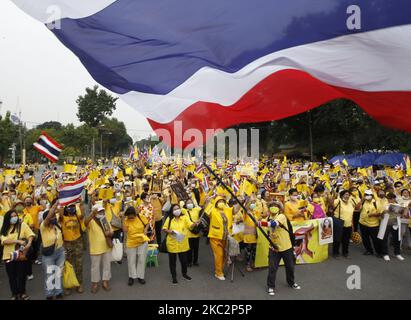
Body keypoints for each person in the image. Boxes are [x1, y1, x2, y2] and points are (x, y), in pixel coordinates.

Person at [259, 202, 301, 296]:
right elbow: (265, 225)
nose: (274, 208)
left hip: (286, 246)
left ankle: (291, 282)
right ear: (269, 209)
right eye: (272, 206)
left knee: (290, 266)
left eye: (276, 206)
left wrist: (260, 222)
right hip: (274, 248)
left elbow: (273, 224)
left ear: (279, 208)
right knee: (272, 268)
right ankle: (270, 286)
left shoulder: (282, 216)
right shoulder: (267, 218)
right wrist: (258, 222)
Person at [1, 209, 35, 300]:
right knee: (11, 276)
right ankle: (14, 293)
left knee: (21, 275)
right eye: (12, 216)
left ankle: (23, 292)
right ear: (8, 218)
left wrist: (29, 244)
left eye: (15, 215)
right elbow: (4, 241)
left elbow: (30, 235)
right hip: (8, 256)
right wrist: (17, 240)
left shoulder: (22, 225)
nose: (14, 218)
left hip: (20, 254)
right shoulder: (4, 228)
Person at [162, 204, 197, 284]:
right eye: (174, 209)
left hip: (182, 243)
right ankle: (174, 277)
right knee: (172, 262)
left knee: (184, 261)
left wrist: (195, 223)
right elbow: (164, 228)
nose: (177, 210)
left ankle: (184, 274)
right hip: (172, 243)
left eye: (178, 208)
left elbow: (190, 225)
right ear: (172, 211)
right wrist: (169, 231)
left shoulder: (184, 218)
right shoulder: (169, 218)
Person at [85, 203, 113, 293]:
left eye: (102, 211)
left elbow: (111, 231)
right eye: (99, 211)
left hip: (106, 247)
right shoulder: (91, 221)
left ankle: (105, 282)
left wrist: (109, 233)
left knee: (107, 265)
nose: (101, 212)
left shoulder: (104, 219)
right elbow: (85, 222)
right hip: (95, 248)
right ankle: (95, 284)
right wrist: (92, 214)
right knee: (95, 267)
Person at [40, 202, 65, 300]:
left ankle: (58, 292)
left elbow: (61, 212)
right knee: (50, 274)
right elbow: (49, 216)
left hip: (60, 252)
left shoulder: (56, 225)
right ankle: (49, 294)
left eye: (55, 216)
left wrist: (62, 203)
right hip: (49, 255)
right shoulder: (43, 227)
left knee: (58, 273)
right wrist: (54, 206)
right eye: (52, 216)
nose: (54, 217)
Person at [205, 196, 233, 281]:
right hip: (215, 237)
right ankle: (218, 272)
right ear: (216, 203)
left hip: (226, 237)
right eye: (219, 201)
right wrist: (210, 199)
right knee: (219, 255)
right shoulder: (212, 210)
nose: (221, 202)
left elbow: (235, 210)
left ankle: (220, 268)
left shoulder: (227, 210)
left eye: (222, 201)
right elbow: (207, 205)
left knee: (224, 255)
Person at [60, 202, 85, 295]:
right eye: (69, 207)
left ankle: (79, 284)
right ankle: (68, 285)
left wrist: (81, 203)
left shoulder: (78, 217)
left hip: (78, 242)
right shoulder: (63, 218)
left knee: (79, 264)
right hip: (67, 243)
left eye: (73, 206)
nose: (71, 208)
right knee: (68, 265)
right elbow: (60, 212)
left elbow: (82, 214)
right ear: (66, 209)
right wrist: (62, 202)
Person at [123, 206, 149, 286]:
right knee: (131, 260)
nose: (131, 218)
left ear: (135, 214)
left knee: (141, 259)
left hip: (142, 241)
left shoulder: (140, 216)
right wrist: (122, 219)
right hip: (131, 242)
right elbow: (125, 230)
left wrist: (145, 230)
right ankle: (131, 276)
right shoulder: (126, 220)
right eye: (129, 216)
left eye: (132, 216)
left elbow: (147, 223)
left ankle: (140, 276)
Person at [380, 193, 406, 261]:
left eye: (392, 198)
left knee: (397, 239)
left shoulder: (398, 205)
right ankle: (385, 254)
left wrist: (402, 212)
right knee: (385, 238)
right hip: (386, 224)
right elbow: (381, 216)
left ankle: (397, 253)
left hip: (395, 223)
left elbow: (402, 215)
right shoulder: (384, 205)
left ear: (394, 199)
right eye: (389, 198)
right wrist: (385, 212)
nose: (390, 200)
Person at [359, 189, 382, 257]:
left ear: (372, 195)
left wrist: (373, 215)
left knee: (375, 239)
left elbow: (380, 213)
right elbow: (357, 209)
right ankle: (369, 250)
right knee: (365, 238)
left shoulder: (376, 202)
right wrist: (361, 201)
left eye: (369, 195)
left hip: (373, 224)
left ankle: (379, 252)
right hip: (362, 223)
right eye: (366, 195)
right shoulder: (363, 202)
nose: (367, 196)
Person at [332, 190, 355, 258]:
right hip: (339, 224)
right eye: (345, 194)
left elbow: (352, 214)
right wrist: (333, 196)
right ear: (342, 195)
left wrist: (352, 224)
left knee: (346, 240)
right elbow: (331, 205)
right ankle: (335, 253)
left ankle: (345, 253)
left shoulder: (351, 203)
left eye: (348, 195)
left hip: (348, 225)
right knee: (337, 239)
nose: (347, 196)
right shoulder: (337, 201)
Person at [183, 198, 202, 267]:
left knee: (196, 248)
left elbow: (204, 209)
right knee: (189, 249)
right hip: (189, 234)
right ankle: (189, 261)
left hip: (196, 233)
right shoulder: (185, 211)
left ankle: (195, 261)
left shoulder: (196, 209)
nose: (190, 204)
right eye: (188, 203)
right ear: (185, 204)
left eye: (191, 202)